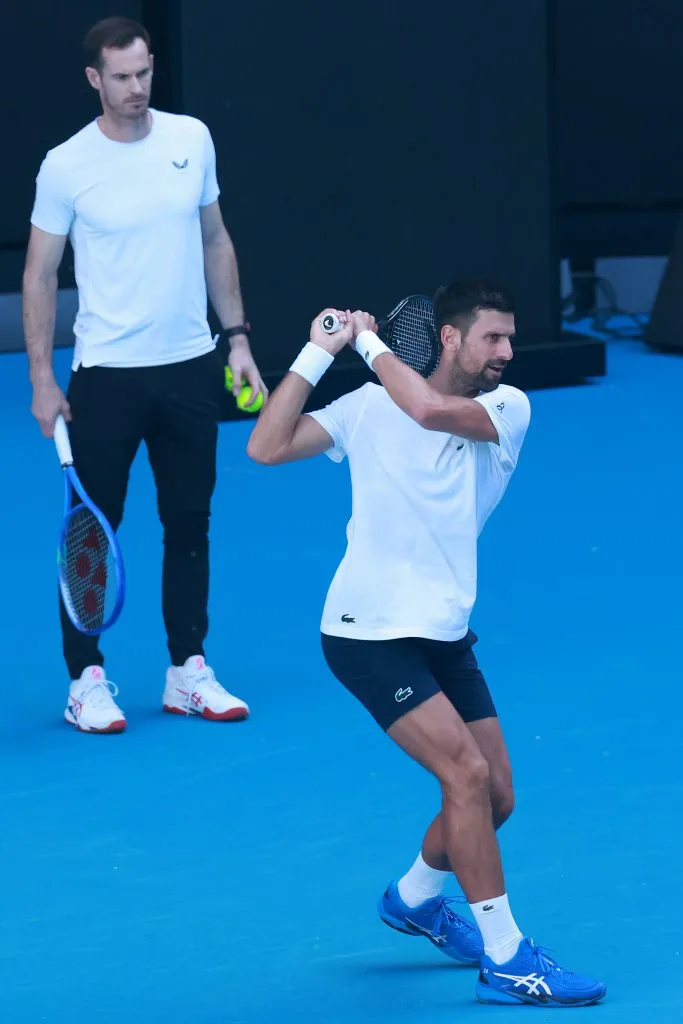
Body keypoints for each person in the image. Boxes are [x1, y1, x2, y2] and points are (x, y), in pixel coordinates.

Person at [246, 280, 606, 1008]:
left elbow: (428, 409)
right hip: (367, 633)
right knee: (466, 776)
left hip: (443, 633)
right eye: (492, 337)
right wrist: (317, 354)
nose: (507, 351)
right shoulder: (365, 406)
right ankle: (506, 959)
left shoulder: (506, 408)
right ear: (448, 337)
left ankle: (413, 899)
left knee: (495, 796)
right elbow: (265, 445)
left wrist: (366, 342)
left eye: (510, 337)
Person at [22, 17, 264, 733]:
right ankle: (85, 680)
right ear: (94, 79)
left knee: (190, 523)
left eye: (144, 72)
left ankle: (187, 670)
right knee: (92, 533)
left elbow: (215, 238)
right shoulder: (66, 164)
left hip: (190, 368)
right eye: (122, 77)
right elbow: (38, 275)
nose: (137, 87)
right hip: (107, 377)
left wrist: (238, 340)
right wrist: (41, 378)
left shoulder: (191, 139)